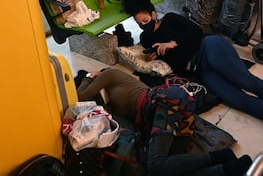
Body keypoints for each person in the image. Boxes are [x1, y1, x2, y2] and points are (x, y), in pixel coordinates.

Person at [123, 0, 263, 127]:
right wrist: (155, 57)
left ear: (153, 14)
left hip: (209, 47)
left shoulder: (170, 19)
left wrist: (173, 43)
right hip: (201, 69)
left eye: (145, 20)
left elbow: (196, 31)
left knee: (246, 81)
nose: (143, 26)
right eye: (139, 24)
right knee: (235, 99)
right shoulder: (146, 39)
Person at [77, 68, 252, 176]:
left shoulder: (110, 74)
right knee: (169, 170)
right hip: (163, 112)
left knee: (155, 166)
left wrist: (88, 76)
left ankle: (220, 157)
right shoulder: (108, 106)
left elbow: (81, 97)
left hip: (167, 105)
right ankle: (227, 169)